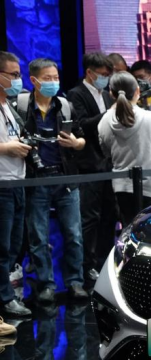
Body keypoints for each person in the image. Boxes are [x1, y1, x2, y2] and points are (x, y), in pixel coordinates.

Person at [19, 58, 88, 302]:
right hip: (35, 179)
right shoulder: (21, 106)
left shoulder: (65, 105)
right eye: (47, 78)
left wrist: (75, 143)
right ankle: (45, 284)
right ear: (34, 80)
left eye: (56, 78)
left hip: (65, 177)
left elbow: (82, 139)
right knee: (38, 236)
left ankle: (75, 282)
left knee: (74, 235)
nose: (53, 82)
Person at [67, 52, 117, 286]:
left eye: (108, 75)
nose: (105, 79)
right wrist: (108, 114)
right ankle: (87, 266)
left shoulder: (106, 95)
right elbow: (81, 126)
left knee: (109, 216)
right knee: (89, 219)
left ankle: (105, 261)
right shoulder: (75, 94)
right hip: (87, 165)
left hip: (108, 164)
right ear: (89, 72)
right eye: (103, 74)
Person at [98, 72, 151, 225]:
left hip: (121, 186)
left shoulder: (105, 119)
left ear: (111, 93)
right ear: (137, 90)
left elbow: (105, 150)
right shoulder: (148, 117)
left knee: (129, 229)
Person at [0, 51, 31, 317]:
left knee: (14, 245)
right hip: (1, 185)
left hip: (17, 182)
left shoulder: (8, 107)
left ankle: (5, 294)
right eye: (13, 75)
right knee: (2, 247)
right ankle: (5, 299)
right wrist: (5, 148)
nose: (17, 80)